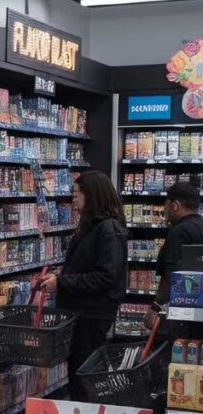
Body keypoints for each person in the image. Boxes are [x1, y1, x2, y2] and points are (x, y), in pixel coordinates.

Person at [38, 170, 127, 397]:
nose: (73, 198)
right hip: (82, 312)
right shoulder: (94, 227)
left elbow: (106, 276)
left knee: (85, 376)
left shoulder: (108, 229)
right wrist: (63, 274)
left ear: (93, 195)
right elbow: (90, 267)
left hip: (92, 314)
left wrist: (63, 282)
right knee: (79, 373)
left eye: (78, 193)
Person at [145, 181, 203, 331]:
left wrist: (156, 307)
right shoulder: (200, 226)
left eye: (166, 204)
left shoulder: (179, 232)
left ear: (175, 205)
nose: (165, 210)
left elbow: (171, 274)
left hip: (184, 313)